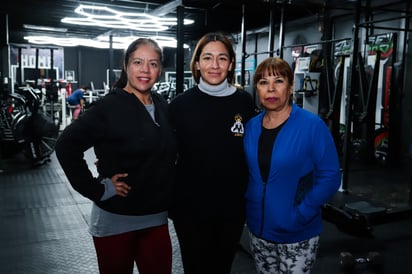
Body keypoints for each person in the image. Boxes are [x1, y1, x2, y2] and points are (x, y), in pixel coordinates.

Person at [55, 38, 177, 274]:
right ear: (126, 65)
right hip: (116, 219)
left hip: (156, 218)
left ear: (160, 69)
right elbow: (66, 146)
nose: (145, 70)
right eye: (138, 62)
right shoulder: (107, 107)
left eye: (153, 63)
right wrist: (98, 189)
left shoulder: (161, 104)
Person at [168, 32, 257, 274]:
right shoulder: (179, 106)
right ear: (197, 64)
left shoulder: (245, 102)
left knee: (221, 268)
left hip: (231, 209)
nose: (215, 65)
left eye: (222, 58)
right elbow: (159, 153)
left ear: (230, 64)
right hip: (190, 209)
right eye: (207, 58)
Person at [243, 57, 341, 274]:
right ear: (257, 89)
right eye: (263, 82)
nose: (270, 89)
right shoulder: (251, 127)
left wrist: (302, 213)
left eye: (278, 81)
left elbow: (331, 176)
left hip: (297, 231)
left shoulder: (311, 125)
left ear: (290, 86)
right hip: (258, 229)